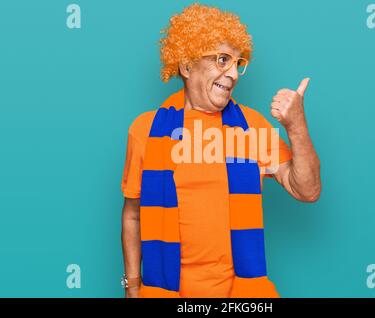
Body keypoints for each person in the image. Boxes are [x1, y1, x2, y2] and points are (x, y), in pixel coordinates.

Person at [121, 3, 321, 298]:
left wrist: (296, 126)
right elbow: (132, 216)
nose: (234, 74)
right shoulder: (145, 130)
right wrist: (133, 286)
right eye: (222, 60)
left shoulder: (251, 128)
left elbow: (307, 190)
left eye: (238, 63)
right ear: (187, 66)